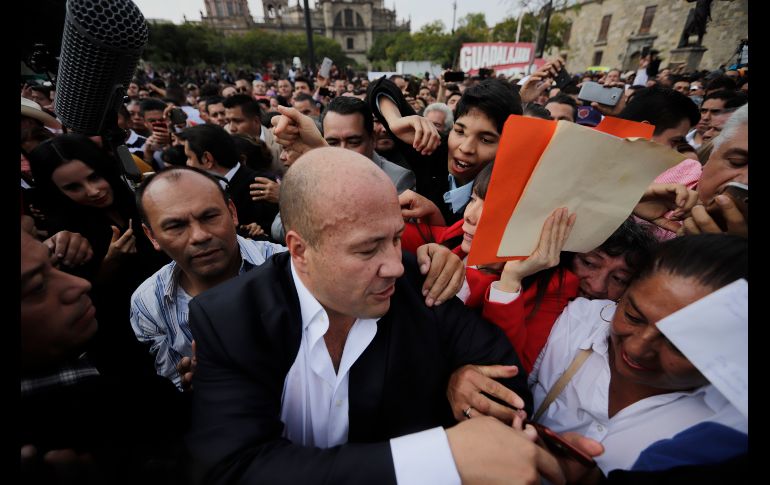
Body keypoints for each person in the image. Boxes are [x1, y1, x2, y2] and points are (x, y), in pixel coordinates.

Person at [186, 148, 565, 484]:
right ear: (300, 250)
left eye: (396, 238)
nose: (394, 265)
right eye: (368, 249)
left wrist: (461, 388)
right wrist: (436, 456)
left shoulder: (421, 285)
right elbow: (233, 468)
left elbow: (510, 393)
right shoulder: (230, 319)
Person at [132, 165, 466, 390]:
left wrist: (429, 253)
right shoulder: (147, 303)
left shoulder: (290, 265)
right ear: (152, 236)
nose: (200, 235)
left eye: (209, 216)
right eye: (176, 226)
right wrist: (200, 388)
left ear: (232, 213)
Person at [529, 234, 747, 475]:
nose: (636, 349)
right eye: (633, 316)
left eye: (677, 343)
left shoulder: (732, 430)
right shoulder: (575, 321)